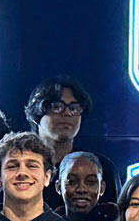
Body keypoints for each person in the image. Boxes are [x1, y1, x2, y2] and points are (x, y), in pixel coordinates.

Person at [24, 76, 119, 205]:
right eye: (57, 106)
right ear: (37, 113)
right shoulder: (21, 166)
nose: (67, 113)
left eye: (74, 108)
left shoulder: (99, 167)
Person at [56, 151, 119, 221]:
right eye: (72, 181)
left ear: (102, 188)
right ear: (59, 187)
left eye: (91, 182)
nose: (81, 189)